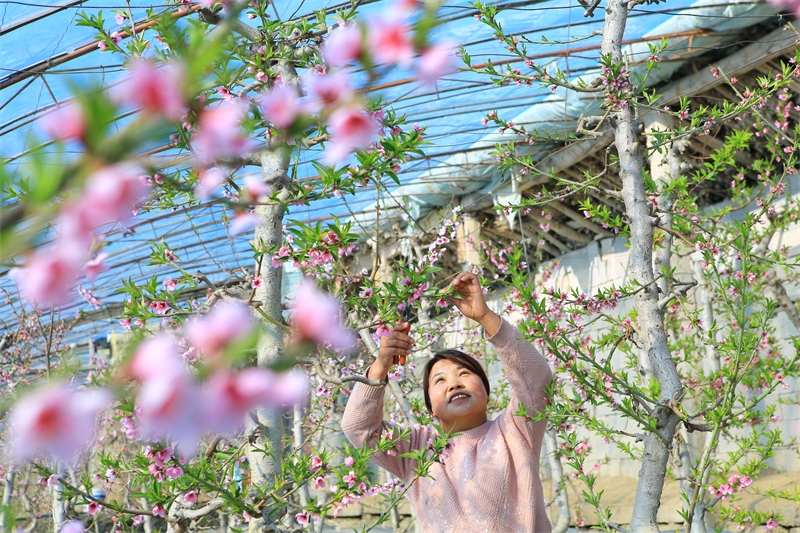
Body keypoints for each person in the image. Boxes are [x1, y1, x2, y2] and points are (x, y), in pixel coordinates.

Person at [341, 272, 553, 533]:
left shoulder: (516, 432)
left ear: (487, 394)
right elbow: (358, 428)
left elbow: (537, 380)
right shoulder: (416, 449)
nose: (454, 383)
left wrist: (485, 317)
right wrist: (381, 365)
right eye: (440, 381)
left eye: (464, 374)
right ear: (430, 407)